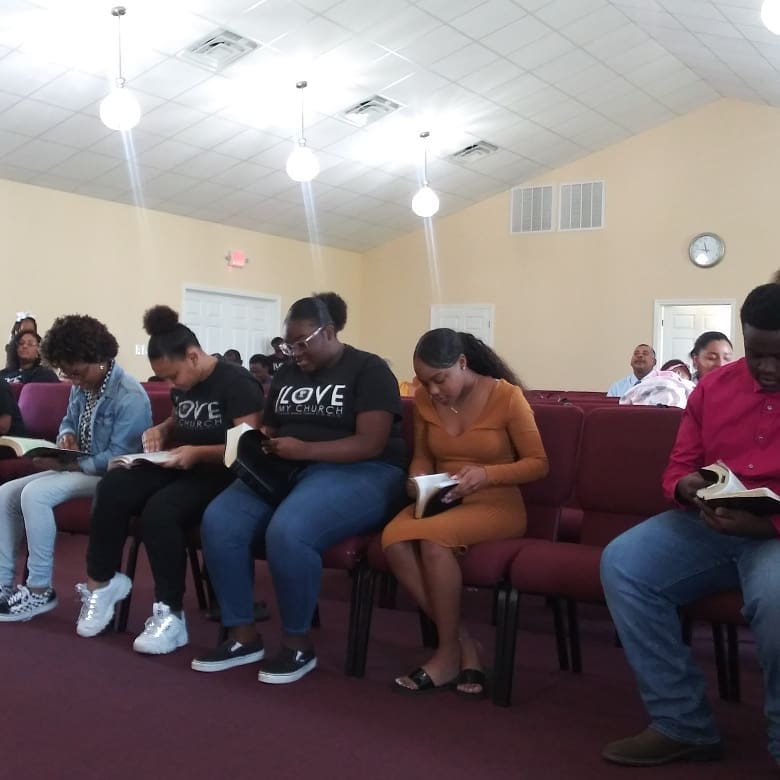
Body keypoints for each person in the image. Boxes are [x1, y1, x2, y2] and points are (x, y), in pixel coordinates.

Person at [600, 283, 780, 769]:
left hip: (773, 535)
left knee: (775, 596)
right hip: (712, 522)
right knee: (624, 564)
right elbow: (679, 467)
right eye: (757, 354)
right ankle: (682, 723)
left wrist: (766, 526)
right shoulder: (714, 388)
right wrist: (687, 488)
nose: (767, 368)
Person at [191, 292, 407, 682]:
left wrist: (305, 449)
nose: (294, 353)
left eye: (301, 343)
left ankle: (297, 644)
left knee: (290, 531)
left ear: (329, 332)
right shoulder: (288, 374)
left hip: (362, 470)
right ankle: (243, 635)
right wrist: (257, 444)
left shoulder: (369, 369)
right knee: (220, 520)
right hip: (289, 466)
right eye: (289, 345)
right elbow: (272, 425)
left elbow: (370, 443)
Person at [75, 305, 264, 654]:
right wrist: (162, 429)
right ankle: (102, 583)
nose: (171, 385)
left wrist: (198, 452)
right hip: (184, 463)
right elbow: (181, 416)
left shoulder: (237, 382)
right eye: (164, 379)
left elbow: (248, 447)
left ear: (193, 356)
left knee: (160, 511)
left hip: (226, 474)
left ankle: (171, 615)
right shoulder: (182, 383)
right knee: (114, 485)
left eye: (173, 376)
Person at [381, 329, 548, 695]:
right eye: (424, 381)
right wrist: (417, 477)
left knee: (432, 541)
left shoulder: (506, 396)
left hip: (495, 501)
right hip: (443, 498)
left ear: (462, 363)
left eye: (439, 379)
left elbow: (538, 464)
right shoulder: (425, 399)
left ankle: (446, 654)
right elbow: (423, 455)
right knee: (393, 540)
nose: (433, 390)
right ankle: (465, 646)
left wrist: (487, 474)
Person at [0, 315, 151, 621]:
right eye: (66, 373)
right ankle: (3, 585)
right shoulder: (83, 385)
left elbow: (119, 456)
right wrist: (65, 436)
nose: (73, 379)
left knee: (35, 495)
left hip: (113, 476)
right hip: (80, 466)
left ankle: (39, 590)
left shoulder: (129, 395)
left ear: (98, 357)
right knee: (4, 494)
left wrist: (69, 463)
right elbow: (69, 420)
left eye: (77, 372)